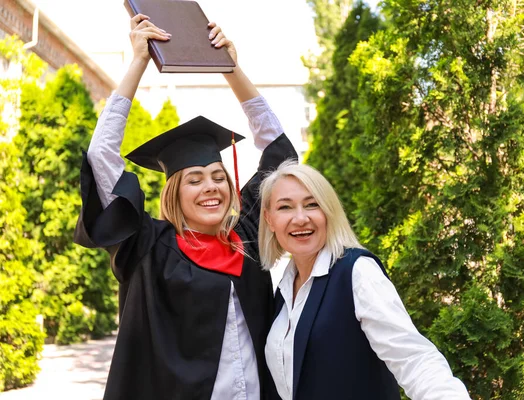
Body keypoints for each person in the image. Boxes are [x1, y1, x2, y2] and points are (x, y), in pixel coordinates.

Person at [74, 14, 297, 400]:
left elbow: (279, 154)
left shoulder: (245, 239)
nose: (209, 187)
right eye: (194, 180)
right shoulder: (149, 248)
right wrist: (138, 63)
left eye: (217, 176)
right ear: (174, 194)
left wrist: (231, 68)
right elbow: (101, 158)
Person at [258, 161, 471, 400]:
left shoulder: (356, 272)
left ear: (328, 212)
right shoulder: (284, 289)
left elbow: (412, 357)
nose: (300, 218)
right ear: (269, 219)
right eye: (285, 207)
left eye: (312, 204)